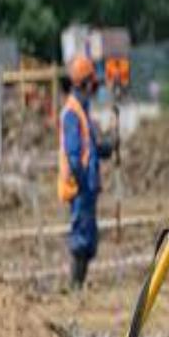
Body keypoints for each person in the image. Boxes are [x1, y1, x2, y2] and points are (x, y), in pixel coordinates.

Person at [58, 55, 112, 289]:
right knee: (82, 235)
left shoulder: (82, 109)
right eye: (93, 81)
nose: (96, 86)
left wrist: (107, 148)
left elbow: (89, 148)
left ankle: (78, 285)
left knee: (89, 237)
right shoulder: (71, 112)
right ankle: (75, 287)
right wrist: (82, 181)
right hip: (80, 184)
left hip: (87, 184)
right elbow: (73, 154)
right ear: (84, 83)